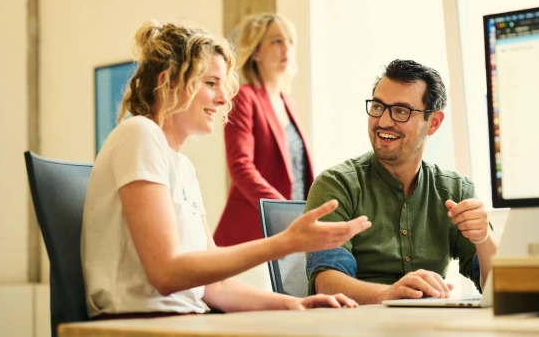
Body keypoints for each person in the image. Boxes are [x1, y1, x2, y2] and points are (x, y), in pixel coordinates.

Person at [81, 20, 372, 319]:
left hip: (184, 320)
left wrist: (293, 304)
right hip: (136, 323)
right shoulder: (139, 134)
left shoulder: (182, 166)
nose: (223, 98)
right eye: (210, 83)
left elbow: (216, 288)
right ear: (169, 82)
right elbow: (165, 273)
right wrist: (284, 242)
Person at [305, 59, 497, 304]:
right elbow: (325, 282)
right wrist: (389, 294)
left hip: (427, 327)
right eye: (377, 107)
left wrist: (484, 239)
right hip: (356, 327)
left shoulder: (456, 190)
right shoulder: (336, 185)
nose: (384, 121)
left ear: (434, 123)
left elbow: (499, 288)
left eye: (400, 111)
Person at [214, 13, 313, 247]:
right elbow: (241, 167)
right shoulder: (244, 98)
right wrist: (281, 210)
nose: (286, 47)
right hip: (254, 231)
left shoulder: (289, 102)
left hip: (291, 229)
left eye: (290, 40)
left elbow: (298, 172)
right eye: (276, 41)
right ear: (256, 52)